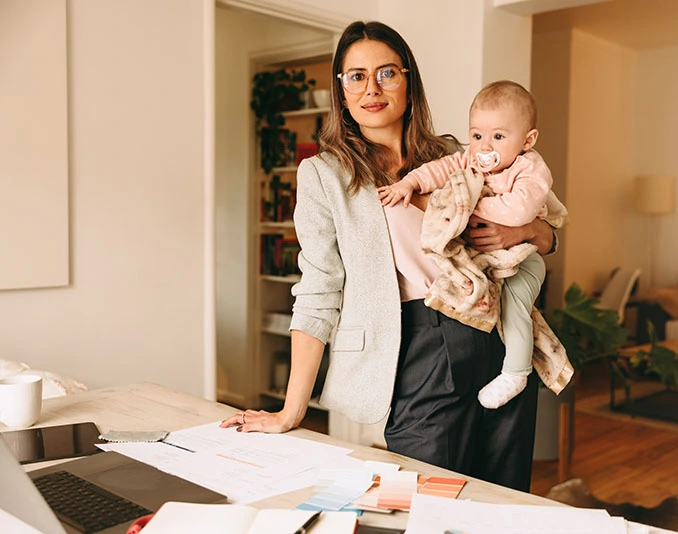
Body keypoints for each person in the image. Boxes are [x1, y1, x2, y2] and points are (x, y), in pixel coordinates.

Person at [220, 20, 561, 492]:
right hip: (418, 345)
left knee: (504, 497)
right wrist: (291, 410)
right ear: (340, 91)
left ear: (408, 82)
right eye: (355, 76)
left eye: (387, 73)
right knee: (430, 501)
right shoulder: (323, 175)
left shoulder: (456, 154)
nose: (371, 88)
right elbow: (318, 290)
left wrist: (531, 230)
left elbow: (543, 226)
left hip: (498, 334)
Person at [376, 80, 567, 410]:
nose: (484, 146)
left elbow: (520, 211)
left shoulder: (530, 168)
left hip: (523, 262)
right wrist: (410, 182)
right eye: (477, 135)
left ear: (528, 140)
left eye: (498, 136)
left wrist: (465, 207)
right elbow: (441, 168)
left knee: (515, 308)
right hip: (475, 278)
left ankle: (516, 373)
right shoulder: (470, 160)